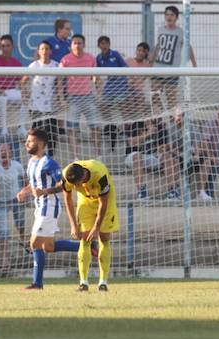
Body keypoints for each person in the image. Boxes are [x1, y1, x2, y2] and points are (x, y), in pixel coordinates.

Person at [16, 128, 81, 290]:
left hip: (49, 208)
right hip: (40, 208)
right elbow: (35, 183)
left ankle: (37, 283)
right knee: (48, 247)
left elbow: (63, 184)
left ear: (40, 143)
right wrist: (25, 191)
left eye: (30, 141)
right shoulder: (31, 162)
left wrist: (44, 192)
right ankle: (86, 246)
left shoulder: (49, 163)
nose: (26, 143)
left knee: (35, 243)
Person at [59, 159, 118, 292]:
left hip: (105, 201)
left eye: (77, 184)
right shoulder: (66, 175)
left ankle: (103, 282)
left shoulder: (100, 174)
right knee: (84, 239)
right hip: (85, 202)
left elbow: (103, 203)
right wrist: (73, 225)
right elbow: (67, 200)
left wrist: (97, 228)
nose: (74, 187)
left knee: (104, 237)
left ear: (84, 177)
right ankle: (83, 283)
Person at [124, 94, 175, 200]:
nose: (157, 115)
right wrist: (148, 134)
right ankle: (141, 192)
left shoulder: (161, 127)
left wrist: (163, 149)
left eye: (159, 112)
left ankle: (172, 191)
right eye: (155, 112)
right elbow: (131, 143)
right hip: (133, 157)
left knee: (168, 157)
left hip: (151, 156)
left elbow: (162, 146)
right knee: (137, 156)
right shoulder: (136, 124)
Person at [60, 34, 101, 158]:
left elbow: (97, 77)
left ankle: (98, 156)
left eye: (80, 43)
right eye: (75, 43)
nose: (77, 45)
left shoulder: (91, 58)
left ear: (84, 44)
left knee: (95, 127)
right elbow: (59, 79)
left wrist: (98, 93)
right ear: (71, 45)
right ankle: (75, 157)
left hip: (88, 97)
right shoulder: (65, 60)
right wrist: (61, 97)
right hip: (72, 98)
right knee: (72, 129)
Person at [150, 5, 196, 109]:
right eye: (166, 14)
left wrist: (194, 64)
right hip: (158, 68)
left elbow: (188, 46)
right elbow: (158, 46)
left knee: (171, 99)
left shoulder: (180, 32)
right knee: (155, 97)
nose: (169, 17)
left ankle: (173, 123)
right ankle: (159, 123)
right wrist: (151, 61)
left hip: (172, 71)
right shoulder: (160, 29)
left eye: (172, 14)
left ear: (176, 17)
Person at [21, 41, 62, 154]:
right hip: (36, 105)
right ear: (39, 51)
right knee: (36, 132)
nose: (45, 51)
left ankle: (51, 155)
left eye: (47, 48)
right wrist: (25, 94)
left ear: (51, 51)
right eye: (42, 49)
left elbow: (59, 84)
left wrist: (60, 99)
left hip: (51, 105)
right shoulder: (34, 65)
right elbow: (23, 81)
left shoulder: (55, 65)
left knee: (52, 132)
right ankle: (36, 155)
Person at [0, 143, 26, 269]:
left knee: (21, 224)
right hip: (0, 202)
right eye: (1, 151)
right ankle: (4, 259)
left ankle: (23, 241)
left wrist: (26, 192)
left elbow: (25, 178)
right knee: (3, 231)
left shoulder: (17, 166)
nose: (3, 152)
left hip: (16, 199)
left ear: (11, 154)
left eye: (6, 150)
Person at [95, 35, 128, 154]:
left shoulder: (115, 54)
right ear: (99, 46)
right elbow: (96, 73)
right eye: (102, 43)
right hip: (109, 85)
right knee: (103, 105)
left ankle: (125, 128)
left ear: (109, 45)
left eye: (106, 43)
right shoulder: (98, 58)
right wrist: (97, 84)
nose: (104, 45)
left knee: (123, 107)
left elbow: (125, 67)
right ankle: (111, 125)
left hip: (119, 84)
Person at [0, 35, 25, 136]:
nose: (5, 48)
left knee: (25, 97)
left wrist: (24, 90)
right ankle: (4, 129)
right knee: (2, 98)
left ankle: (21, 127)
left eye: (8, 46)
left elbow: (21, 82)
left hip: (11, 91)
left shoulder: (16, 63)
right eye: (3, 46)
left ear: (12, 47)